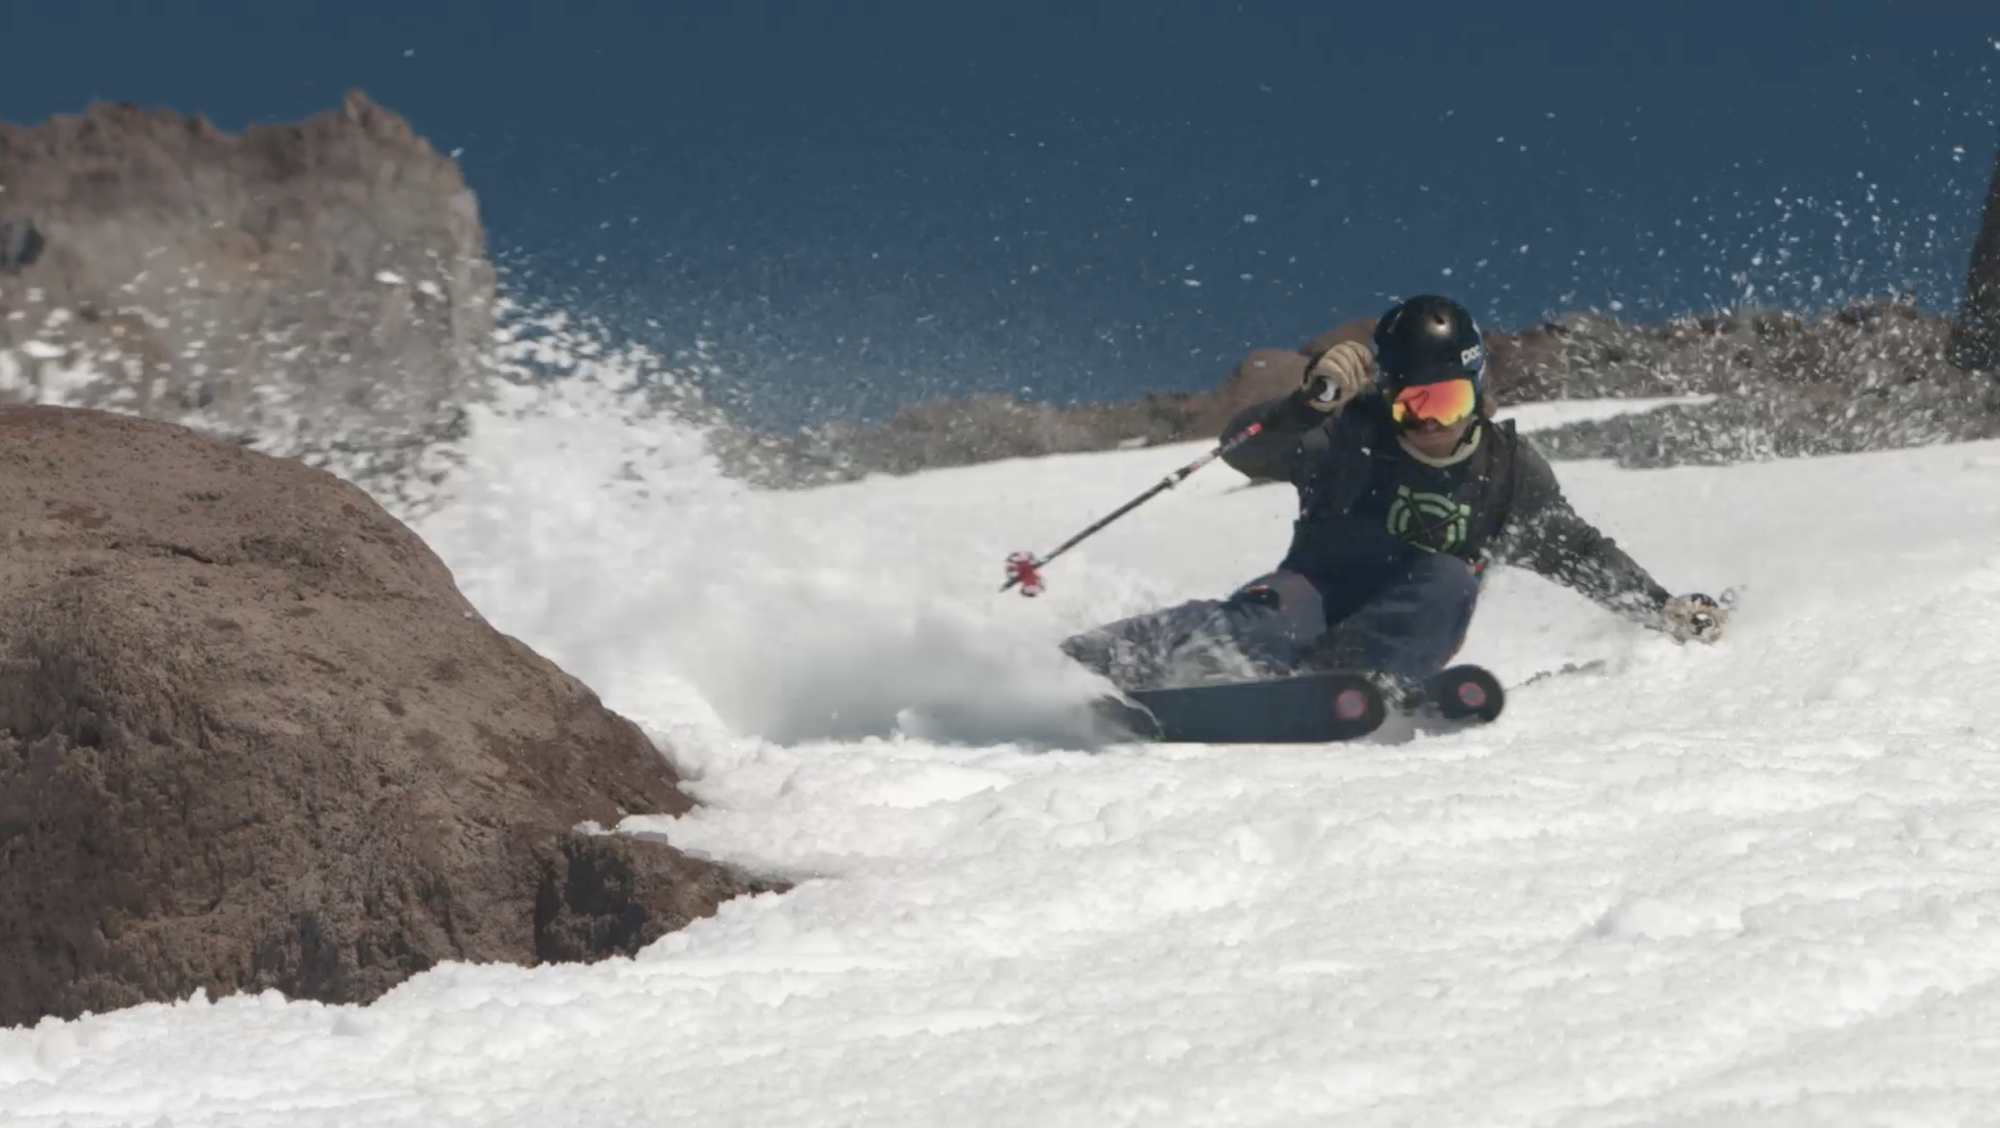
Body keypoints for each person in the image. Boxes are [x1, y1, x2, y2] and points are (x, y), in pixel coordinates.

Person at [1060, 294, 1726, 695]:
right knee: (1260, 622)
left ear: (1480, 393)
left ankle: (1344, 684)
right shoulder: (1349, 432)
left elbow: (1578, 550)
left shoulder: (1505, 471)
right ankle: (1094, 660)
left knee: (1449, 579)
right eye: (1413, 404)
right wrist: (1308, 404)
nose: (1433, 421)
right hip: (1311, 591)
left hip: (1399, 634)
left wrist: (1661, 606)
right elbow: (1246, 448)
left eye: (1450, 400)